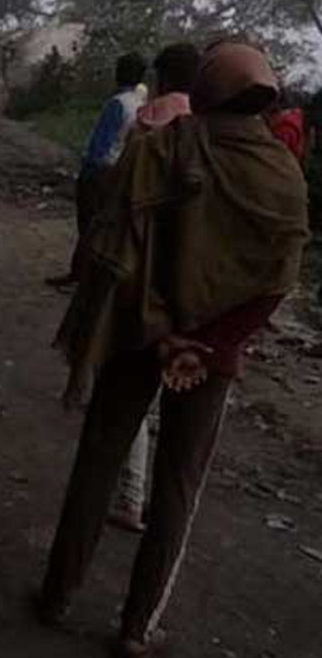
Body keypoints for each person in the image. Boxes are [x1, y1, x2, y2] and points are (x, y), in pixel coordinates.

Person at [38, 42, 311, 658]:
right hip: (210, 358)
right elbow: (277, 280)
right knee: (177, 489)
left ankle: (56, 596)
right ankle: (136, 629)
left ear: (207, 91)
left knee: (97, 465)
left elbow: (115, 249)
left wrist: (163, 332)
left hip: (138, 335)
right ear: (264, 96)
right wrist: (206, 344)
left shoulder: (156, 150)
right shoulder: (283, 176)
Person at [108, 42, 203, 535]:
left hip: (142, 275)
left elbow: (121, 192)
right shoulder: (211, 134)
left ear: (162, 77)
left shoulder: (149, 121)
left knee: (129, 393)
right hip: (197, 289)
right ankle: (153, 507)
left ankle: (127, 494)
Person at [46, 53, 149, 288]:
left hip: (99, 170)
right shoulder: (140, 104)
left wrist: (86, 168)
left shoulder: (117, 103)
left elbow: (99, 145)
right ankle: (86, 275)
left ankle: (80, 275)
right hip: (119, 169)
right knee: (102, 225)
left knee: (88, 224)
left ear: (118, 73)